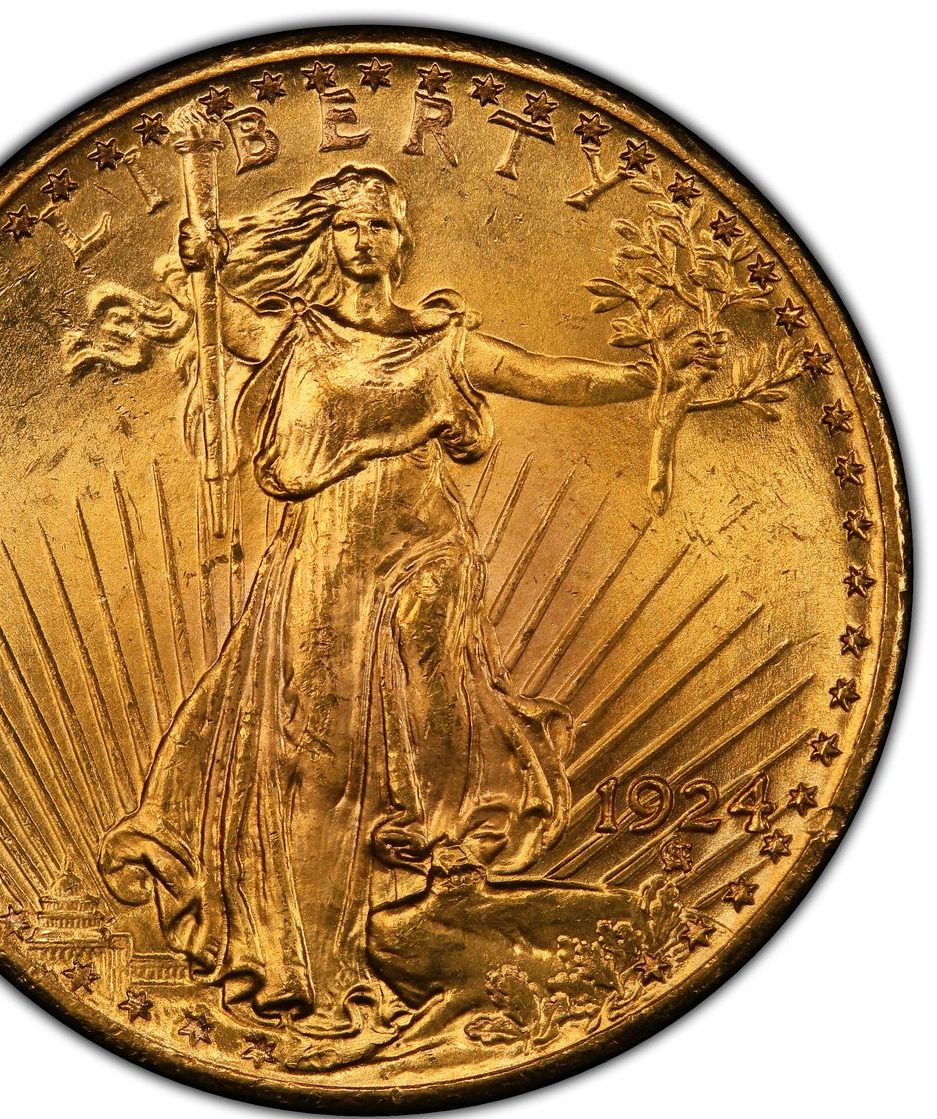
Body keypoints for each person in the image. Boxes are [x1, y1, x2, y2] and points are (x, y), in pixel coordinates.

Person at [98, 165, 718, 1056]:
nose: (363, 240)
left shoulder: (442, 346)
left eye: (379, 226)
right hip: (323, 558)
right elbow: (214, 312)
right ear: (329, 240)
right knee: (315, 756)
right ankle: (312, 968)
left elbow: (547, 377)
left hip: (423, 551)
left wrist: (648, 377)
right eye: (348, 225)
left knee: (428, 727)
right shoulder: (294, 335)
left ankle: (425, 876)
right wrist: (199, 259)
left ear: (402, 241)